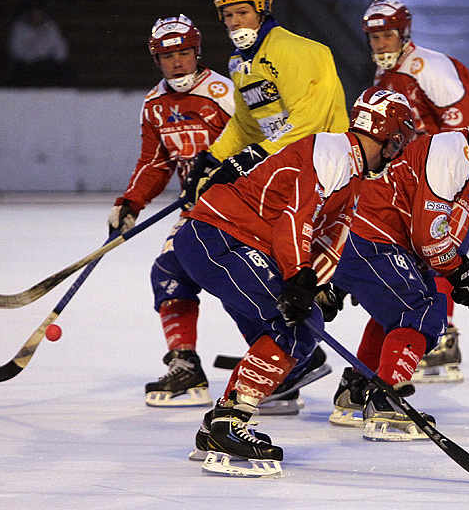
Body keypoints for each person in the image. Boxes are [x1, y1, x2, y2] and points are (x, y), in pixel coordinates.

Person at [173, 86, 415, 477]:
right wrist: (300, 279)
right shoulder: (333, 152)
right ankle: (228, 423)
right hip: (218, 234)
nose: (400, 149)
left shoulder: (350, 170)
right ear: (391, 136)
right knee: (296, 325)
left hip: (225, 236)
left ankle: (220, 423)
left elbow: (329, 235)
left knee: (300, 328)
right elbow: (294, 220)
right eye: (400, 139)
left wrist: (321, 284)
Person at [162, 0, 349, 414]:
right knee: (243, 274)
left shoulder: (297, 51)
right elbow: (248, 123)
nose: (234, 22)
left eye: (242, 11)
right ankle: (280, 361)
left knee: (299, 278)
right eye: (227, 15)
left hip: (319, 176)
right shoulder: (240, 63)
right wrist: (214, 157)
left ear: (263, 8)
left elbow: (306, 122)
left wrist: (252, 157)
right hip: (282, 176)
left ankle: (307, 357)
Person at [326, 94, 469, 442]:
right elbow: (428, 237)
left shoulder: (461, 162)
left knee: (394, 311)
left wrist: (457, 270)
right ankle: (386, 402)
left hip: (365, 238)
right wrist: (458, 272)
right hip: (370, 238)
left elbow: (431, 238)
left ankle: (357, 392)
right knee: (423, 312)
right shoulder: (451, 153)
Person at [106, 15, 235, 408]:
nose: (177, 63)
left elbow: (262, 143)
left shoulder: (224, 92)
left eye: (183, 53)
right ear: (156, 59)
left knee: (236, 282)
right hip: (197, 211)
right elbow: (155, 162)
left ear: (197, 52)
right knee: (168, 271)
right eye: (168, 56)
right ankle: (185, 364)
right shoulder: (154, 104)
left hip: (240, 208)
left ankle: (285, 355)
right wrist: (130, 202)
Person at [361, 0, 469, 383]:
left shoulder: (427, 67)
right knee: (420, 256)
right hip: (421, 181)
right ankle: (435, 337)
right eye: (375, 37)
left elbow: (463, 125)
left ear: (404, 33)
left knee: (439, 251)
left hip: (454, 177)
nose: (382, 44)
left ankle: (439, 338)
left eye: (388, 35)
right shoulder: (385, 77)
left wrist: (441, 169)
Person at [6, 4, 74, 86]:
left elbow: (60, 47)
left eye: (39, 14)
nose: (36, 17)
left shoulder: (51, 27)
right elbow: (16, 50)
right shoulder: (19, 28)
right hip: (27, 63)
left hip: (47, 63)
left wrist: (56, 59)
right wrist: (33, 55)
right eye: (34, 14)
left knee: (66, 70)